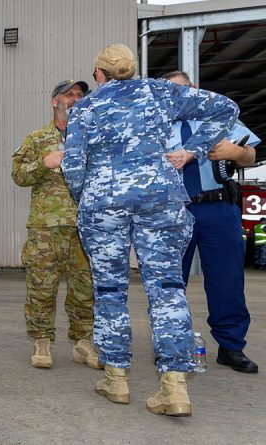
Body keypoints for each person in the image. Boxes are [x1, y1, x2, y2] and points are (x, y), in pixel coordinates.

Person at [62, 44, 238, 416]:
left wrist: (86, 198)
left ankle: (116, 378)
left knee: (110, 289)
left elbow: (74, 165)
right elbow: (226, 108)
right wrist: (194, 150)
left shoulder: (86, 107)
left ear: (99, 74)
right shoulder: (161, 91)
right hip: (160, 197)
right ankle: (174, 386)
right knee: (168, 288)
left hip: (104, 203)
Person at [162, 70, 260, 373]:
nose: (180, 98)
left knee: (227, 280)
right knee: (169, 283)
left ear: (195, 91)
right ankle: (170, 346)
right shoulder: (155, 126)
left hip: (218, 209)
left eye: (185, 90)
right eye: (173, 93)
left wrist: (237, 151)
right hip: (174, 211)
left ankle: (231, 347)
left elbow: (251, 156)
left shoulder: (219, 117)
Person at [11, 79, 100, 370]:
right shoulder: (37, 138)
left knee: (85, 288)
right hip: (46, 227)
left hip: (85, 225)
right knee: (42, 286)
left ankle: (83, 341)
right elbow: (18, 175)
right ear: (54, 101)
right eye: (68, 94)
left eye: (79, 95)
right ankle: (41, 341)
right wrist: (43, 163)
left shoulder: (93, 137)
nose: (74, 99)